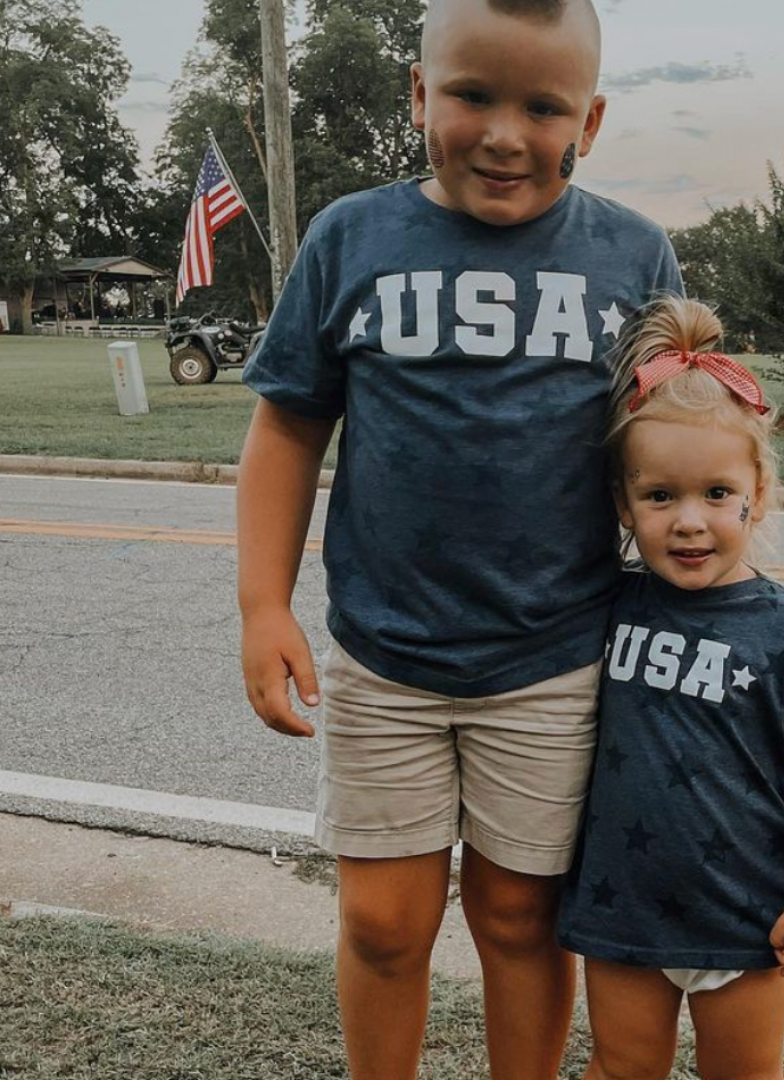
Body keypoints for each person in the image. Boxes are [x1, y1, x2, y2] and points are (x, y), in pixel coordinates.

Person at [236, 0, 682, 1077]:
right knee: (384, 923)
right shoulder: (351, 236)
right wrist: (262, 605)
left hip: (554, 661)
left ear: (591, 121)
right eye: (472, 95)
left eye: (544, 108)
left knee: (521, 918)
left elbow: (666, 448)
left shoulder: (634, 253)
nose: (505, 135)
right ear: (419, 94)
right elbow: (289, 426)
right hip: (384, 654)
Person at [557, 297, 784, 1080]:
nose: (689, 521)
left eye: (717, 494)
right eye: (660, 496)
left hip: (748, 913)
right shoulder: (610, 602)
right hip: (623, 907)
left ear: (757, 490)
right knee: (620, 1067)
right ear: (624, 503)